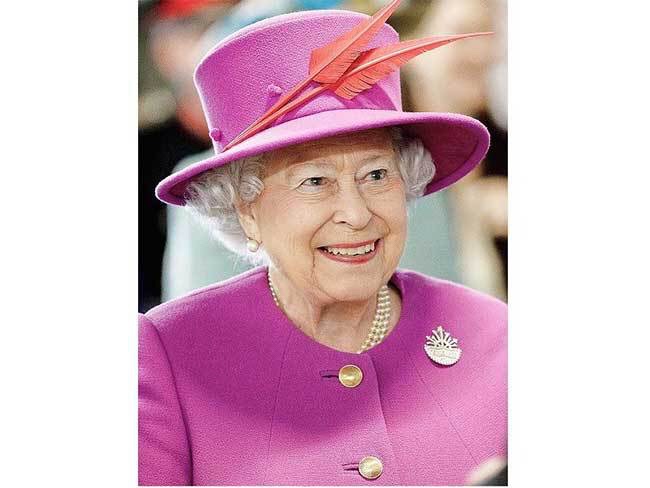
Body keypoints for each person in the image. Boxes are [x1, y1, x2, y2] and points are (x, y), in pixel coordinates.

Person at [139, 4, 507, 486]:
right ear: (245, 209)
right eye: (314, 181)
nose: (356, 213)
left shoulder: (496, 334)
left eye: (377, 175)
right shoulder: (168, 355)